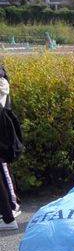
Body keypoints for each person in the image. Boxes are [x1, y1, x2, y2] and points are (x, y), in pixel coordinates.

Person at [0, 65, 21, 231]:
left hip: (3, 128)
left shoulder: (1, 78)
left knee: (3, 167)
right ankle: (10, 210)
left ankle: (10, 212)